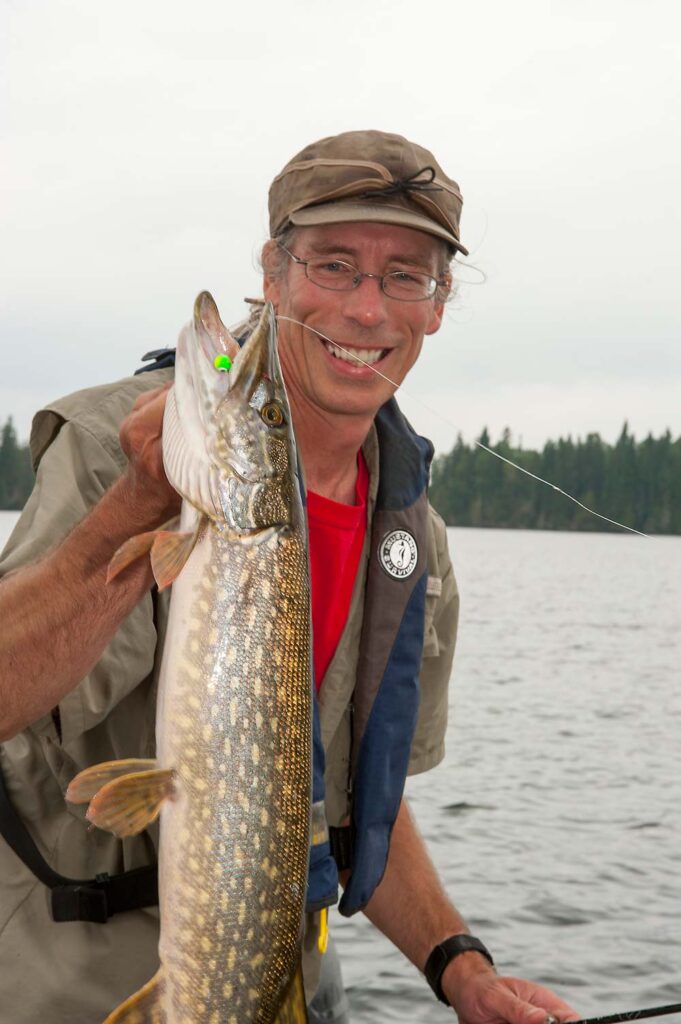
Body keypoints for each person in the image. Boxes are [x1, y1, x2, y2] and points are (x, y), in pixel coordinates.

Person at [0, 130, 577, 1023]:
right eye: (334, 265)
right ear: (272, 274)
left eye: (405, 276)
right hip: (67, 981)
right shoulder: (118, 447)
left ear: (437, 304)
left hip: (282, 975)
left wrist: (458, 966)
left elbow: (356, 796)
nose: (366, 310)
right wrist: (137, 505)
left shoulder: (411, 538)